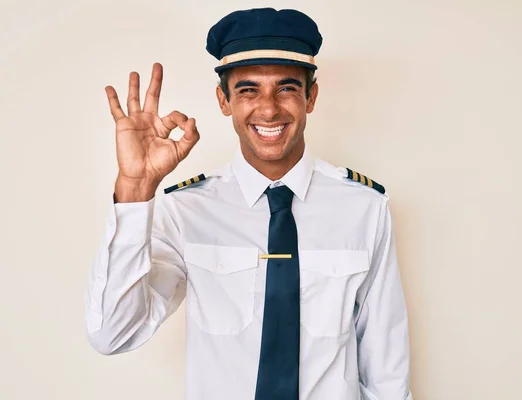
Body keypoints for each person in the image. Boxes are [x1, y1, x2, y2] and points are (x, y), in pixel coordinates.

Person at [84, 7, 413, 400]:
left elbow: (386, 372)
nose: (269, 108)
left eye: (287, 88)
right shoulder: (186, 211)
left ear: (311, 97)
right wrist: (135, 190)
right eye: (248, 90)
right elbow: (112, 333)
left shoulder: (364, 207)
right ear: (224, 100)